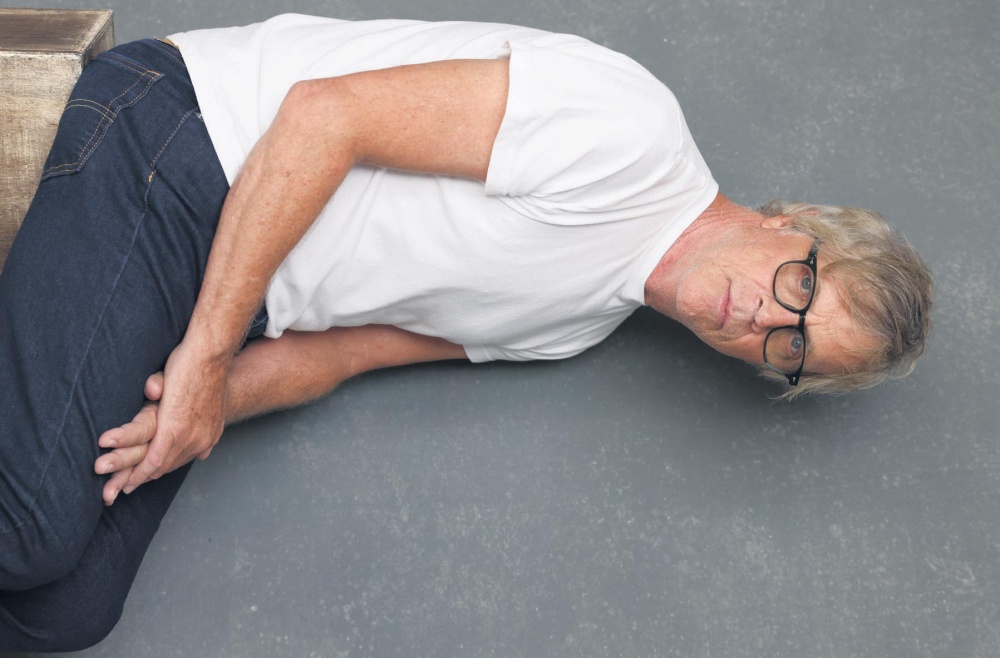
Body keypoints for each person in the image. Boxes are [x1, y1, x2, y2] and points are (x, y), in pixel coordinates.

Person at [0, 14, 932, 651]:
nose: (767, 319)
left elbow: (342, 354)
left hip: (222, 302)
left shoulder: (576, 329)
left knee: (72, 612)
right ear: (792, 221)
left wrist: (195, 407)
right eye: (800, 286)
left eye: (791, 349)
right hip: (185, 143)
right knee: (31, 538)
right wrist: (204, 359)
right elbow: (326, 117)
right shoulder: (636, 137)